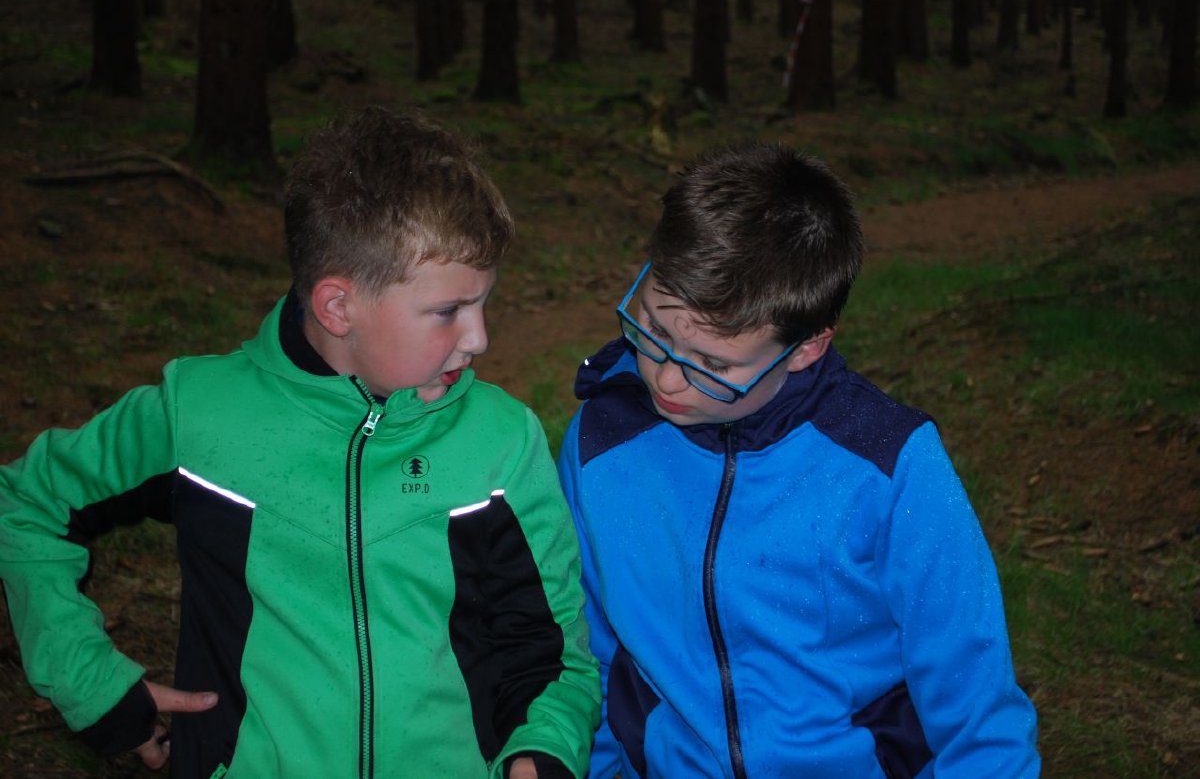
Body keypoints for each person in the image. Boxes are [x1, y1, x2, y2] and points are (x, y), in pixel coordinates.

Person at [0, 106, 599, 779]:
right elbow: (26, 503)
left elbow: (551, 652)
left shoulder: (499, 440)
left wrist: (541, 752)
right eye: (448, 311)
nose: (479, 337)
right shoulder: (200, 414)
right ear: (338, 307)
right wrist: (93, 684)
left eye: (484, 302)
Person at [556, 142, 1040, 778]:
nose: (667, 380)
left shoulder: (889, 463)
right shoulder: (602, 440)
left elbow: (976, 704)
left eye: (713, 364)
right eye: (655, 330)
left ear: (808, 347)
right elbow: (584, 649)